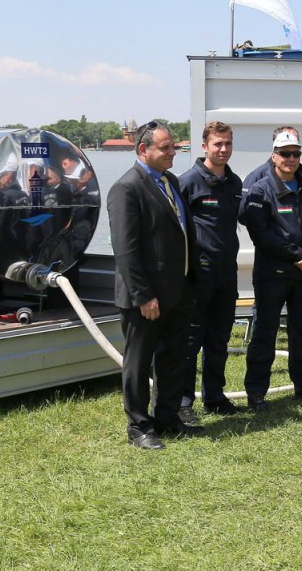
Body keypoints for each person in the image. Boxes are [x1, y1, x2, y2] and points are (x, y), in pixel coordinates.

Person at [107, 122, 198, 450]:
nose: (173, 152)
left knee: (173, 358)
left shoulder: (170, 182)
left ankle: (167, 418)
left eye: (173, 146)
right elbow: (126, 250)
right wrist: (143, 295)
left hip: (177, 291)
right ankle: (139, 427)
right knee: (138, 362)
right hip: (144, 298)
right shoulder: (127, 188)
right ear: (143, 149)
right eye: (165, 148)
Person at [239, 130, 302, 408]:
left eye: (295, 153)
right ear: (273, 155)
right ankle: (256, 393)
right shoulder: (260, 190)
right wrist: (297, 254)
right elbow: (262, 235)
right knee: (265, 334)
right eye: (285, 153)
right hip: (272, 274)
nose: (291, 158)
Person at [177, 121, 244, 422]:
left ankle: (215, 398)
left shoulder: (234, 182)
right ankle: (182, 403)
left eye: (228, 143)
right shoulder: (187, 183)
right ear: (204, 146)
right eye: (218, 144)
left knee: (219, 340)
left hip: (227, 273)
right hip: (198, 275)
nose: (223, 149)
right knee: (190, 342)